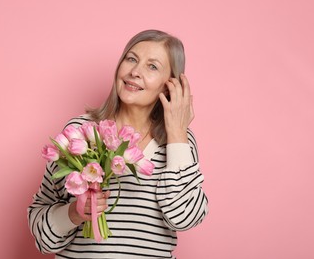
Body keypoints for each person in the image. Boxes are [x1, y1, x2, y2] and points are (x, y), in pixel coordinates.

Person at [28, 29, 208, 259]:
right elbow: (42, 235)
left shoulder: (180, 143)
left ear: (169, 85)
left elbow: (185, 218)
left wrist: (177, 134)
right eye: (131, 59)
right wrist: (73, 213)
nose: (135, 72)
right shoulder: (81, 133)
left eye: (152, 66)